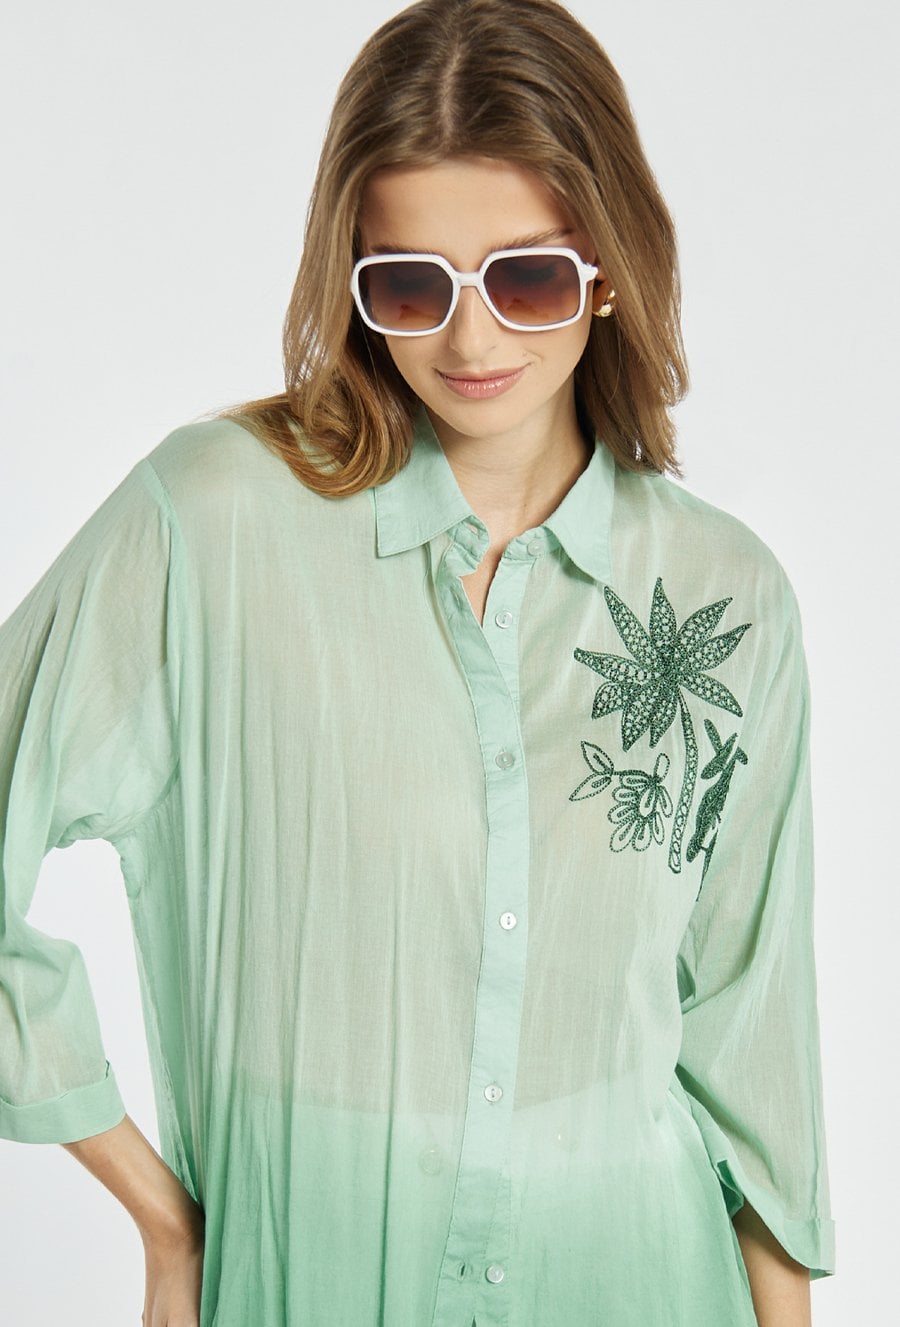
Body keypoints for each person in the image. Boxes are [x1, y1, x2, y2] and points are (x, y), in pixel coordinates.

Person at [0, 1, 835, 1324]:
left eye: (527, 278)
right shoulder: (212, 526)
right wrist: (161, 1217)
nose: (471, 342)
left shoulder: (726, 596)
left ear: (608, 267)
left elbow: (753, 1056)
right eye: (410, 285)